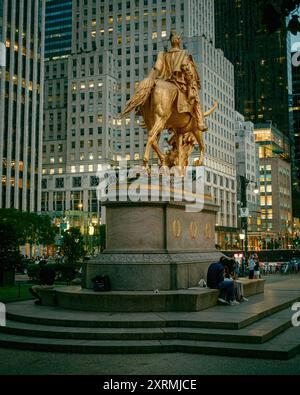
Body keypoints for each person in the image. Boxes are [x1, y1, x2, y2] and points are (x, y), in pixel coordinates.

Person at [147, 32, 208, 132]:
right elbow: (184, 66)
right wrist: (190, 81)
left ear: (171, 43)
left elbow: (158, 67)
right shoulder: (183, 53)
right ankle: (201, 123)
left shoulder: (165, 54)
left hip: (165, 80)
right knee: (196, 100)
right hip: (178, 81)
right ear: (178, 42)